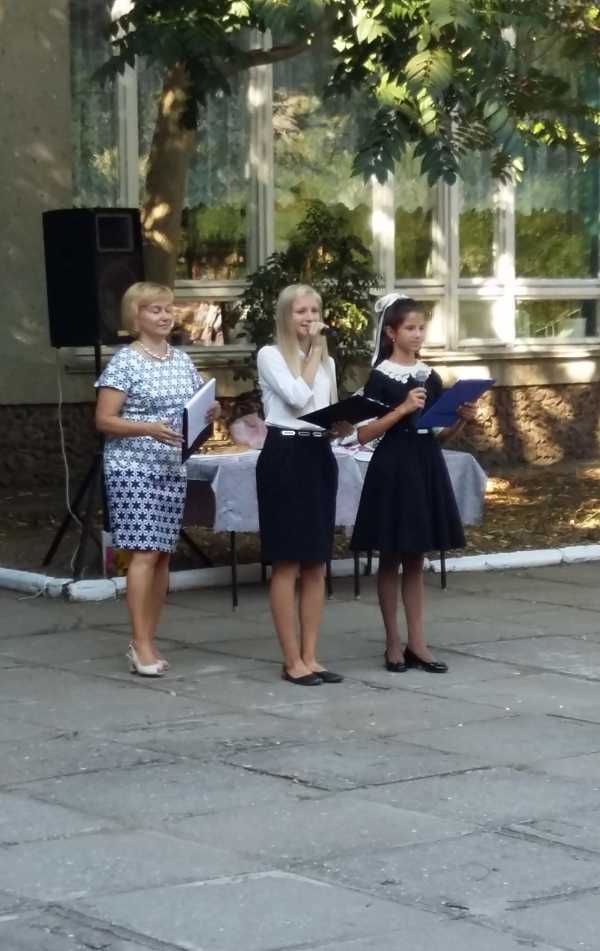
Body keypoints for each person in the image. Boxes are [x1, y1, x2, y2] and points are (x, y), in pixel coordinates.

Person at [95, 282, 221, 677]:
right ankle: (140, 642)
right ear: (135, 317)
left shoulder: (181, 359)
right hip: (132, 467)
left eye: (168, 309)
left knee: (163, 553)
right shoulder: (125, 361)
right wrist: (148, 428)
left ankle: (147, 638)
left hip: (171, 466)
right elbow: (104, 420)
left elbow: (195, 405)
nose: (165, 316)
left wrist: (212, 410)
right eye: (154, 310)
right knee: (145, 552)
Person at [350, 293, 476, 674]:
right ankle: (392, 642)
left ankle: (417, 643)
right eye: (410, 328)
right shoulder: (380, 377)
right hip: (393, 467)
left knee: (416, 558)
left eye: (421, 328)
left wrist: (461, 418)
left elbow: (438, 433)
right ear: (391, 332)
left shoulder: (429, 376)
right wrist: (402, 409)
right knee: (391, 555)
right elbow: (364, 433)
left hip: (425, 465)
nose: (418, 334)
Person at [256, 284, 350, 686]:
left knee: (315, 561)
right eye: (301, 312)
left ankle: (311, 655)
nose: (309, 318)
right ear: (285, 316)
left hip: (317, 454)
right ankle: (290, 659)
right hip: (285, 455)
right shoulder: (271, 355)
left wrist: (341, 425)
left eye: (314, 311)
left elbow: (321, 411)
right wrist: (311, 354)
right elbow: (296, 398)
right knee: (288, 560)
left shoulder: (326, 362)